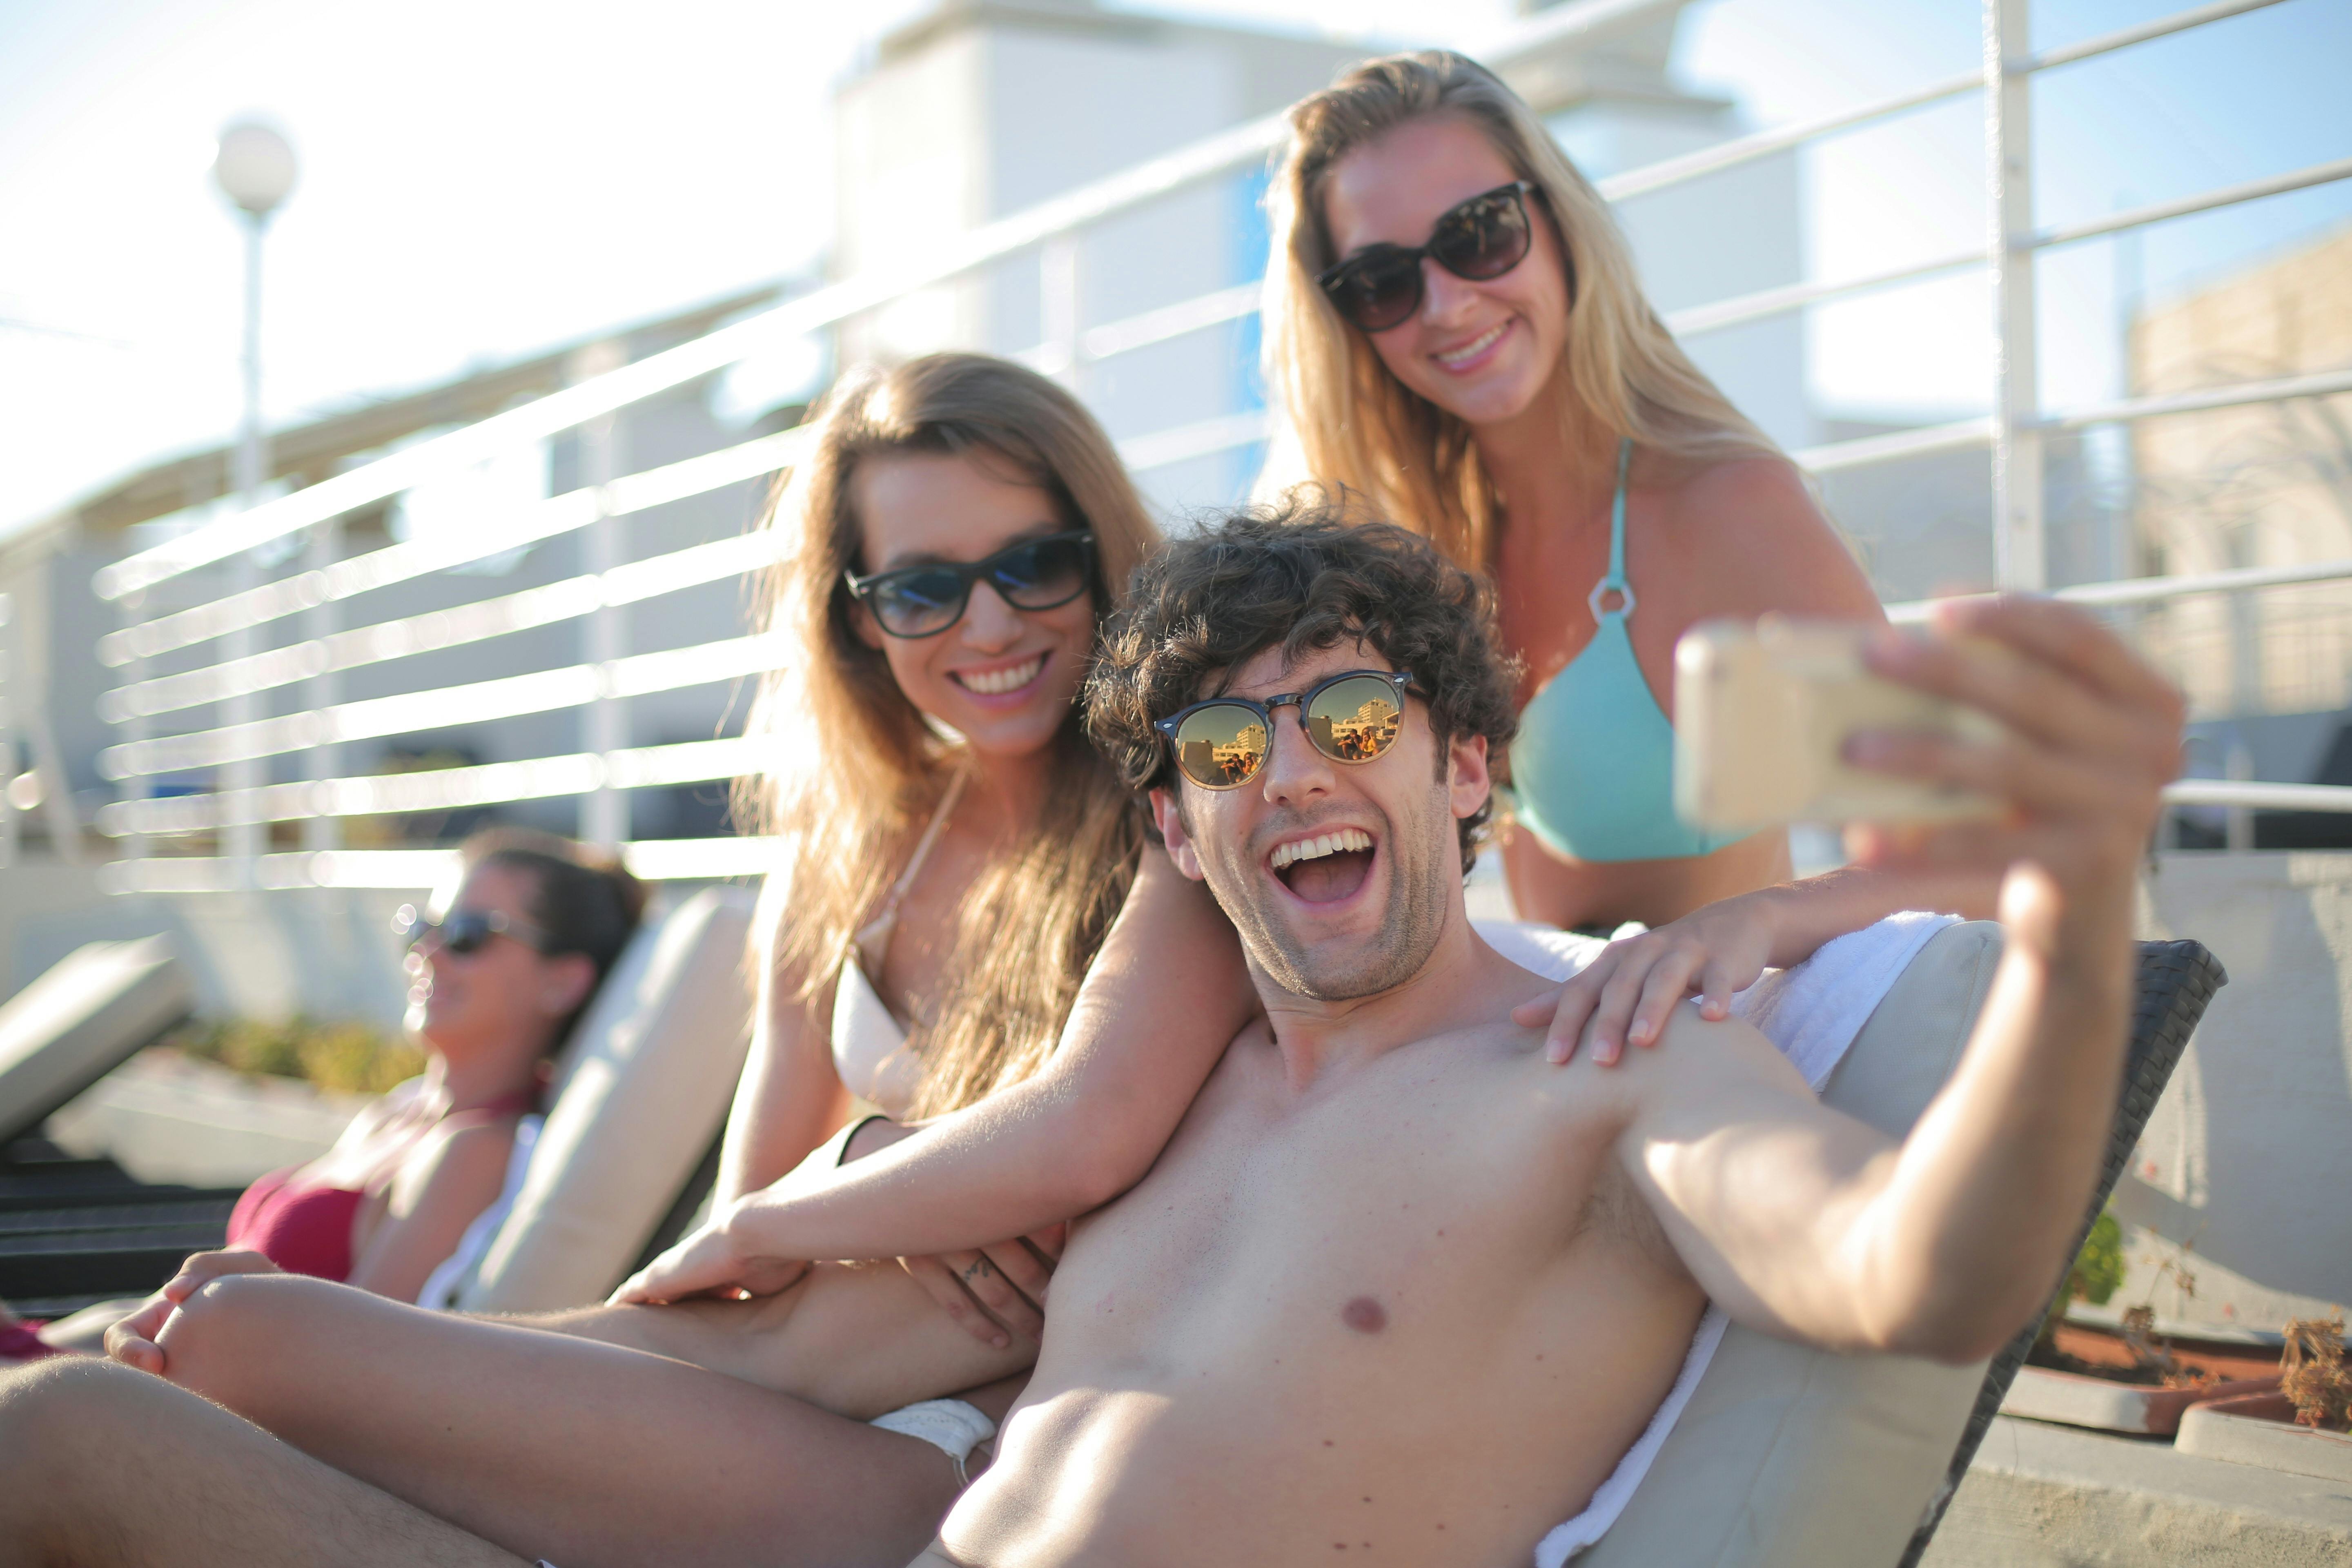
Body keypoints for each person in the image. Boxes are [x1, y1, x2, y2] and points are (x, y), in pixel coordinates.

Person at [0, 503, 2180, 1568]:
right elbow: (818, 1339)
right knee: (135, 1405)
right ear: (1171, 827)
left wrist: (2071, 921)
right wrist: (771, 1238)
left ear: (1464, 779)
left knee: (67, 1458)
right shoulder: (1174, 1102)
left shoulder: (1610, 1069)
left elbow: (1924, 1276)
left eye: (1350, 721)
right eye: (1225, 751)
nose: (1290, 774)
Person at [1262, 50, 1960, 1053]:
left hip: (1709, 1068)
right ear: (1349, 323)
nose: (1447, 303)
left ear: (1558, 224)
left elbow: (1969, 849)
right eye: (1381, 280)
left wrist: (1756, 919)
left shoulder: (1720, 507)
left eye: (1479, 234)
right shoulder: (1417, 552)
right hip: (1530, 1052)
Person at [0, 827, 641, 1360]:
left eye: (469, 935)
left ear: (563, 982)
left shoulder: (475, 1151)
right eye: (422, 928)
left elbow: (353, 1364)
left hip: (140, 1412)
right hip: (97, 1366)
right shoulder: (400, 1108)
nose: (429, 953)